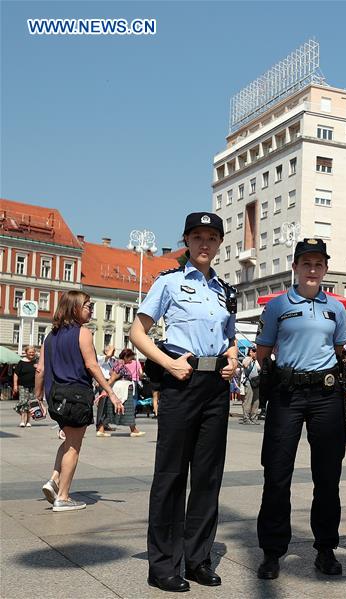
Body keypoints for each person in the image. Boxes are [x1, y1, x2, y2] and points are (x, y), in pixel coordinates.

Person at [129, 212, 239, 592]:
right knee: (172, 475)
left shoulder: (225, 289)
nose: (204, 243)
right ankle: (162, 565)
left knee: (208, 477)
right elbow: (137, 332)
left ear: (220, 243)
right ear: (187, 241)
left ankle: (197, 559)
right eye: (197, 237)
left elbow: (229, 336)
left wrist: (233, 357)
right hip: (182, 379)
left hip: (215, 387)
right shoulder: (169, 283)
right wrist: (166, 362)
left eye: (211, 237)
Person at [254, 239, 346, 580]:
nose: (312, 269)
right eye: (306, 263)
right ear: (294, 267)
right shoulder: (278, 306)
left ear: (325, 268)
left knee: (328, 477)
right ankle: (272, 552)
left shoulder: (335, 308)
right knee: (277, 474)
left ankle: (326, 549)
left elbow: (339, 350)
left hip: (325, 395)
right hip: (287, 395)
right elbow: (262, 353)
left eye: (318, 264)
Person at [34, 292, 123, 511]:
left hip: (55, 397)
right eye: (87, 306)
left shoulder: (50, 336)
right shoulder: (82, 333)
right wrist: (109, 391)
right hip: (76, 395)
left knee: (67, 442)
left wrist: (37, 397)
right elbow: (92, 365)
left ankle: (54, 480)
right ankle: (63, 498)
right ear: (74, 308)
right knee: (74, 446)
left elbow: (41, 369)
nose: (90, 310)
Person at [105, 348, 146, 437]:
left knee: (124, 409)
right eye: (131, 358)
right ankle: (134, 430)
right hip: (122, 389)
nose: (132, 360)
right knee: (128, 409)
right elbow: (113, 377)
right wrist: (106, 390)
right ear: (126, 357)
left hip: (123, 388)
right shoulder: (120, 364)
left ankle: (134, 430)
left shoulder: (119, 364)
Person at [95, 344, 118, 436]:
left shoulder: (113, 360)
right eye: (112, 351)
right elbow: (107, 356)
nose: (113, 353)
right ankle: (100, 426)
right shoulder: (100, 358)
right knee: (102, 404)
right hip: (103, 381)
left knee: (109, 405)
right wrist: (110, 350)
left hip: (111, 382)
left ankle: (105, 424)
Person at [13, 346, 38, 428]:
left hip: (33, 386)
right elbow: (16, 374)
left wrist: (38, 368)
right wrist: (15, 385)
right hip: (23, 386)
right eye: (30, 352)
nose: (31, 354)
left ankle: (28, 421)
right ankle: (22, 420)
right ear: (26, 353)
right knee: (23, 402)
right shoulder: (21, 362)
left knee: (30, 404)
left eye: (33, 352)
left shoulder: (36, 362)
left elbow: (41, 372)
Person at [241, 347, 261, 424]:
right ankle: (246, 418)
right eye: (254, 351)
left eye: (256, 351)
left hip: (256, 382)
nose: (255, 352)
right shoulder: (246, 359)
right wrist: (250, 357)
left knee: (256, 401)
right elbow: (245, 365)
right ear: (250, 352)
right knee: (248, 400)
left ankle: (254, 418)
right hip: (249, 382)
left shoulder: (257, 361)